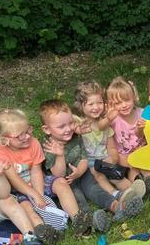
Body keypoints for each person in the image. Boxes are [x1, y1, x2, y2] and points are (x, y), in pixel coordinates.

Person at [39, 99, 143, 233]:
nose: (68, 129)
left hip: (81, 173)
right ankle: (90, 221)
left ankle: (117, 207)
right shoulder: (49, 146)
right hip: (65, 181)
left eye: (70, 123)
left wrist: (79, 172)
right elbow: (58, 174)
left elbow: (84, 158)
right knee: (78, 199)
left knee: (94, 189)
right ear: (47, 129)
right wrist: (60, 155)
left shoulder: (75, 136)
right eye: (61, 127)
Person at [0, 108, 68, 245]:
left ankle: (78, 218)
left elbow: (36, 170)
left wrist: (39, 194)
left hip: (38, 182)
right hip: (18, 190)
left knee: (61, 183)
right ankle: (44, 233)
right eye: (20, 136)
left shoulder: (33, 142)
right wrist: (34, 195)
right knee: (28, 209)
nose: (27, 136)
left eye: (28, 130)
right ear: (4, 139)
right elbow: (14, 179)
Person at [73, 81, 146, 199]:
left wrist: (113, 158)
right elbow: (69, 125)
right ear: (81, 106)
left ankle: (134, 191)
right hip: (89, 161)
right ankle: (115, 193)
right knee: (98, 175)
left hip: (105, 158)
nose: (96, 107)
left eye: (99, 103)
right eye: (91, 104)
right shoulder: (78, 122)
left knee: (116, 176)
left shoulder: (106, 125)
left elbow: (111, 146)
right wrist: (77, 129)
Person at [103, 76, 150, 198]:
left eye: (126, 100)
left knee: (143, 163)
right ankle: (140, 184)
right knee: (131, 166)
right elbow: (101, 129)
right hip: (125, 157)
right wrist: (108, 117)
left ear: (133, 97)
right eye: (118, 103)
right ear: (111, 105)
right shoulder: (113, 120)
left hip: (142, 151)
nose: (123, 105)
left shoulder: (143, 113)